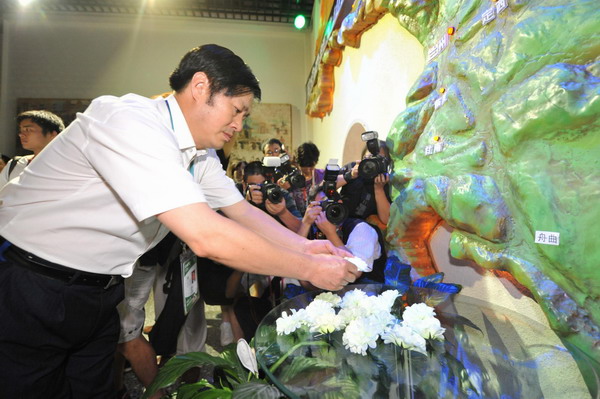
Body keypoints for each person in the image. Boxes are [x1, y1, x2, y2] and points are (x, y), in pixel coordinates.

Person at [0, 44, 358, 397]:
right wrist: (308, 267)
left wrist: (308, 245)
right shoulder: (129, 120)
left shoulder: (198, 155)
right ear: (201, 87)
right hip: (33, 284)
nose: (239, 125)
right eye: (236, 110)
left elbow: (243, 213)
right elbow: (207, 236)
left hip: (101, 291)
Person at [0, 110, 65, 186]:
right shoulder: (15, 164)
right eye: (21, 130)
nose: (21, 134)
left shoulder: (68, 166)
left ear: (52, 134)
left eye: (28, 130)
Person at [339, 139, 392, 227]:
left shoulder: (384, 180)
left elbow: (386, 219)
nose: (372, 164)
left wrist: (379, 189)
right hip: (340, 218)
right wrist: (349, 176)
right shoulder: (353, 167)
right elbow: (325, 187)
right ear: (362, 157)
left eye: (378, 160)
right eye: (369, 158)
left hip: (364, 226)